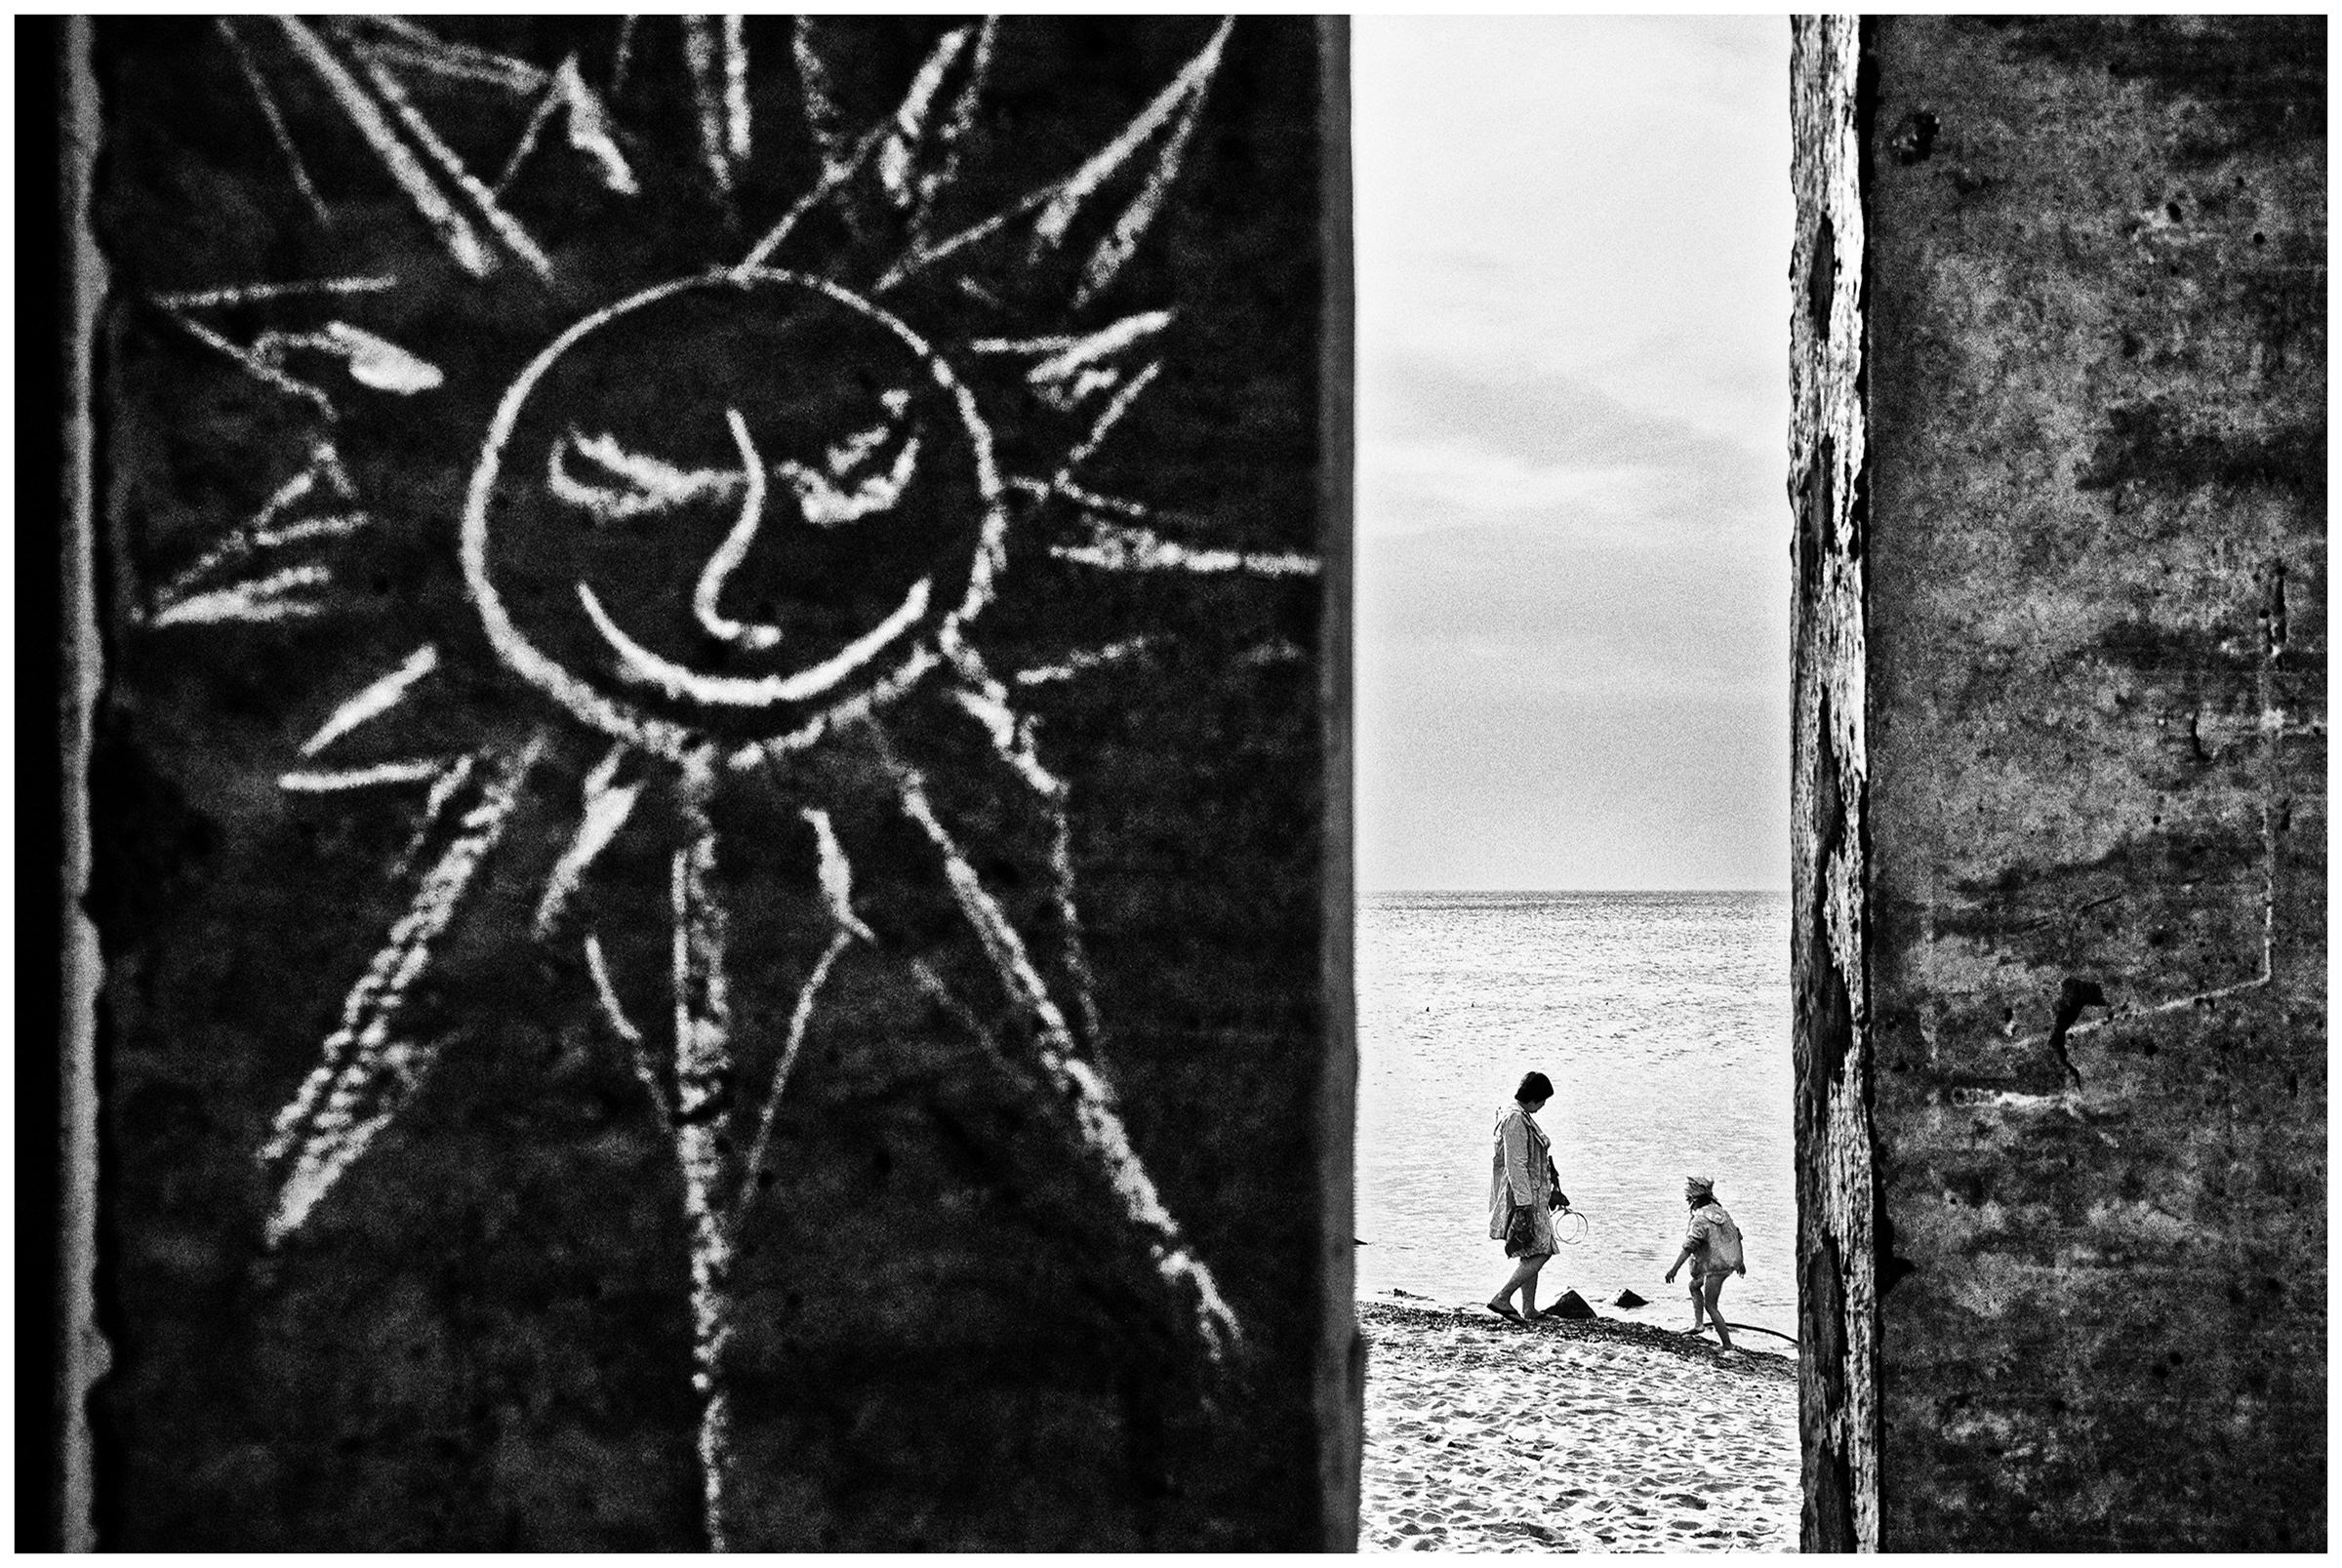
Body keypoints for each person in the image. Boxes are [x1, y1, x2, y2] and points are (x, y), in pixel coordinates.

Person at [1485, 1071, 1568, 1322]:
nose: (1543, 1106)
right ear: (1534, 1097)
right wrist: (1525, 1205)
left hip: (1532, 1194)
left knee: (1530, 1251)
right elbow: (1516, 1165)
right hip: (1525, 1197)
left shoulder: (1517, 1114)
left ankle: (1528, 1309)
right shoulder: (1515, 1120)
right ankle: (1502, 1297)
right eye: (1542, 1100)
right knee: (1543, 1250)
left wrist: (1550, 1190)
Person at [1663, 1175, 1745, 1351]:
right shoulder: (1722, 1213)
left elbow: (1689, 1247)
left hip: (1715, 1269)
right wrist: (1741, 1261)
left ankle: (1727, 1345)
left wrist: (1673, 1270)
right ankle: (1699, 1325)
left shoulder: (1700, 1219)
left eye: (1689, 1200)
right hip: (1726, 1263)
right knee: (1694, 1286)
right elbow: (1737, 1235)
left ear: (1693, 1200)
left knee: (1711, 1306)